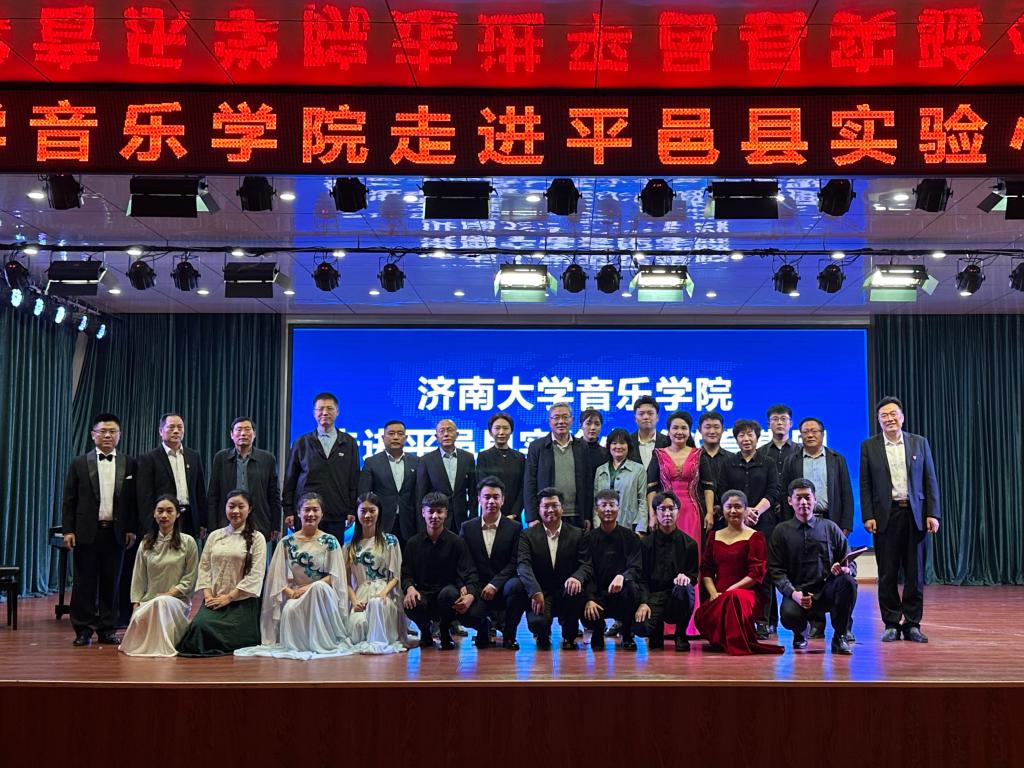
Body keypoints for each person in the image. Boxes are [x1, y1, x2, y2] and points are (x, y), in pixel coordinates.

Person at [860, 396, 940, 644]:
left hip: (915, 515)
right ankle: (892, 623)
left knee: (915, 574)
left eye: (893, 414)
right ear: (878, 420)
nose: (889, 419)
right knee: (887, 573)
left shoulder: (919, 442)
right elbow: (865, 484)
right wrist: (868, 515)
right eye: (884, 415)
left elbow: (930, 480)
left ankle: (913, 624)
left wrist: (933, 513)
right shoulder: (869, 446)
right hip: (886, 516)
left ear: (902, 417)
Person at [236, 492, 354, 660]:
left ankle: (321, 642)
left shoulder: (330, 541)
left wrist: (309, 588)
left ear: (322, 514)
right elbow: (276, 578)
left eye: (315, 510)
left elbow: (335, 576)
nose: (311, 514)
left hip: (323, 595)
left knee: (318, 587)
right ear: (299, 512)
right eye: (306, 510)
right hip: (297, 594)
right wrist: (290, 593)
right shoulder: (286, 542)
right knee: (290, 609)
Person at [62, 413, 138, 647]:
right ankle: (83, 630)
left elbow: (132, 501)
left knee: (111, 582)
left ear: (119, 435)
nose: (107, 435)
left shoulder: (129, 463)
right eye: (102, 431)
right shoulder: (79, 463)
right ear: (93, 435)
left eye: (112, 431)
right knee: (83, 583)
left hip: (116, 532)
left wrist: (131, 528)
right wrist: (68, 530)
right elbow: (69, 500)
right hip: (86, 531)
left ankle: (107, 628)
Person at [768, 479, 857, 655]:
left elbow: (850, 562)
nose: (803, 502)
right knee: (789, 616)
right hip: (798, 593)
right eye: (798, 498)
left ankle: (840, 636)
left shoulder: (830, 528)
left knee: (848, 582)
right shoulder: (781, 531)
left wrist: (846, 569)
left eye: (807, 497)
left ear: (815, 499)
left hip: (826, 591)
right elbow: (776, 570)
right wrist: (793, 593)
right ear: (790, 501)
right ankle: (800, 631)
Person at [177, 490, 267, 657]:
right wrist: (207, 594)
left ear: (249, 509)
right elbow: (204, 567)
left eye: (241, 507)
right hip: (214, 599)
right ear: (225, 508)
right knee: (198, 628)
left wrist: (229, 597)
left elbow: (256, 574)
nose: (235, 511)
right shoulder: (215, 536)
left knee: (219, 633)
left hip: (241, 602)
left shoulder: (257, 538)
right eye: (231, 506)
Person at [694, 490, 783, 656]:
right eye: (729, 507)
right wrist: (713, 594)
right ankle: (726, 639)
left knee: (733, 598)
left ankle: (735, 643)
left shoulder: (756, 537)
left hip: (747, 595)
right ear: (723, 510)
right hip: (718, 595)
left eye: (738, 507)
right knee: (702, 614)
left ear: (746, 509)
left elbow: (756, 574)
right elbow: (706, 571)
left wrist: (729, 591)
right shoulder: (713, 536)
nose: (733, 511)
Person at [402, 492, 488, 649]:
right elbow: (406, 573)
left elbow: (469, 572)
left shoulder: (457, 542)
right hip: (424, 593)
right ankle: (425, 631)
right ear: (423, 513)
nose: (435, 516)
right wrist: (410, 588)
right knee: (411, 602)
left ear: (446, 514)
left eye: (439, 512)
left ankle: (444, 630)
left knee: (448, 595)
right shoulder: (413, 543)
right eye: (430, 511)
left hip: (448, 594)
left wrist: (469, 592)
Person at [720, 419, 781, 638]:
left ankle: (764, 621)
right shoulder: (728, 463)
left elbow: (774, 490)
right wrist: (742, 512)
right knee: (740, 572)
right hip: (735, 524)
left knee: (762, 574)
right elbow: (723, 491)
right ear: (736, 438)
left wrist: (755, 511)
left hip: (763, 524)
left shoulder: (768, 462)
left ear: (757, 437)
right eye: (741, 435)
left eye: (750, 435)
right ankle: (741, 618)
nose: (746, 439)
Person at [120, 494, 199, 657]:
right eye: (160, 511)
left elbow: (191, 577)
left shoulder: (188, 542)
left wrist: (169, 594)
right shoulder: (146, 543)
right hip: (149, 601)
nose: (164, 515)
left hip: (177, 602)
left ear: (177, 514)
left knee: (162, 602)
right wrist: (136, 604)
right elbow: (138, 577)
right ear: (154, 514)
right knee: (152, 606)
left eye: (169, 511)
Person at [646, 411, 702, 635]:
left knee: (689, 563)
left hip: (691, 513)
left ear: (689, 431)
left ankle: (691, 626)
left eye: (683, 428)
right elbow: (651, 488)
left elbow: (708, 487)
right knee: (664, 562)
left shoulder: (698, 454)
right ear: (667, 431)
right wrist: (653, 514)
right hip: (664, 511)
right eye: (675, 428)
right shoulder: (658, 454)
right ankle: (663, 623)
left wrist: (708, 513)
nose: (679, 432)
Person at [517, 487, 592, 650]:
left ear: (562, 508)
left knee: (576, 590)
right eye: (546, 506)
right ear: (539, 509)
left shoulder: (578, 534)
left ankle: (569, 636)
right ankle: (542, 634)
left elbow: (586, 564)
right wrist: (534, 590)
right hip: (541, 591)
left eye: (555, 505)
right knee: (538, 623)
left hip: (566, 590)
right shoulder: (527, 535)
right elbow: (523, 565)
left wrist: (577, 577)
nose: (550, 510)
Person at [459, 477, 527, 649]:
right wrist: (471, 588)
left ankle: (509, 635)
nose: (491, 501)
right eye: (487, 497)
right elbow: (464, 562)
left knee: (518, 587)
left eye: (496, 497)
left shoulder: (515, 527)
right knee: (461, 607)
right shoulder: (467, 527)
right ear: (479, 499)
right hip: (478, 585)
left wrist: (495, 584)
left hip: (503, 585)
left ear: (503, 500)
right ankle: (483, 628)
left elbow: (515, 561)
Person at [283, 392, 360, 541]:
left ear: (337, 412)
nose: (325, 413)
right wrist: (288, 511)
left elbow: (354, 478)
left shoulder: (349, 443)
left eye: (330, 408)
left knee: (333, 553)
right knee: (305, 552)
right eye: (320, 409)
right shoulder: (302, 442)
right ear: (314, 413)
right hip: (307, 513)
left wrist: (352, 509)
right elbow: (290, 479)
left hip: (336, 512)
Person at [634, 492, 698, 652]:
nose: (667, 513)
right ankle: (655, 634)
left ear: (678, 512)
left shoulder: (690, 544)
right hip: (654, 597)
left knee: (685, 588)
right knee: (640, 628)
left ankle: (680, 634)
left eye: (671, 508)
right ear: (655, 512)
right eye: (662, 509)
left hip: (677, 596)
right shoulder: (646, 544)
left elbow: (693, 576)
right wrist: (643, 602)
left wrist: (685, 578)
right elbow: (642, 578)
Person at [346, 492, 409, 654]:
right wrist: (354, 601)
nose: (367, 515)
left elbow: (396, 576)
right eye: (363, 511)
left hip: (384, 594)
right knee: (359, 625)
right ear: (357, 513)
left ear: (379, 512)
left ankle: (378, 643)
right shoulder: (349, 546)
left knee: (376, 605)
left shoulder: (390, 541)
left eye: (372, 511)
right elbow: (346, 582)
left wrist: (383, 593)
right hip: (360, 596)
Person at [583, 490, 641, 651]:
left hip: (621, 593)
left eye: (612, 505)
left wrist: (623, 577)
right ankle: (597, 630)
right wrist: (589, 598)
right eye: (603, 505)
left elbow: (636, 567)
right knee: (579, 595)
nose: (608, 509)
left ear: (618, 508)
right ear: (596, 509)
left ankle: (627, 633)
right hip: (597, 594)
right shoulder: (588, 539)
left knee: (632, 588)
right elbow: (586, 570)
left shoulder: (631, 537)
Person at [208, 417, 281, 542]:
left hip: (259, 521)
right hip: (226, 521)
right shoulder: (221, 458)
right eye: (239, 430)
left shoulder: (267, 459)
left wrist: (276, 525)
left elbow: (274, 495)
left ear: (254, 434)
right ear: (232, 435)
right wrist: (212, 526)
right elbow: (213, 495)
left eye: (247, 429)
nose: (243, 433)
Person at [136, 412, 207, 541]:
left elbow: (200, 492)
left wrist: (202, 522)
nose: (176, 431)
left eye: (180, 427)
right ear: (160, 431)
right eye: (171, 427)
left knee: (188, 553)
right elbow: (145, 498)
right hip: (163, 518)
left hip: (189, 519)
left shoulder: (193, 456)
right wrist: (149, 527)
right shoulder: (149, 459)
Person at [524, 403, 591, 528]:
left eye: (565, 417)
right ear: (549, 421)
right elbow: (529, 483)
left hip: (576, 514)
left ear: (572, 420)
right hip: (547, 514)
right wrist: (532, 517)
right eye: (556, 417)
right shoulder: (537, 447)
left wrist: (587, 515)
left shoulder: (582, 446)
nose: (561, 421)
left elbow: (587, 483)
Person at [358, 419, 419, 544]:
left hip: (409, 522)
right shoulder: (372, 462)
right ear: (383, 438)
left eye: (400, 434)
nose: (395, 437)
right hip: (382, 522)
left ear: (406, 438)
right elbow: (364, 495)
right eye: (391, 434)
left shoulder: (417, 462)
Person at [415, 419, 477, 531]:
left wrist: (473, 520)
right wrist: (422, 526)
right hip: (436, 519)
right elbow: (421, 495)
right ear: (436, 436)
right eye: (442, 431)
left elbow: (473, 493)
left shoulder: (468, 458)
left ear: (457, 434)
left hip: (462, 519)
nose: (446, 434)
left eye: (450, 430)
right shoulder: (426, 460)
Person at [592, 429, 647, 532]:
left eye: (622, 443)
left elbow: (642, 501)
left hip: (629, 526)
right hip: (603, 527)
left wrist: (641, 529)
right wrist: (597, 527)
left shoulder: (638, 469)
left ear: (628, 446)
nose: (618, 446)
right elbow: (596, 502)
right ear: (609, 446)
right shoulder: (600, 470)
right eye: (614, 443)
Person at [475, 412, 526, 521]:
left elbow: (523, 488)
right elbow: (483, 487)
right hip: (489, 514)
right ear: (490, 432)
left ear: (511, 431)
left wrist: (514, 513)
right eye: (497, 428)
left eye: (505, 428)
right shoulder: (484, 456)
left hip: (514, 517)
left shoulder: (520, 458)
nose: (501, 432)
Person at [697, 411, 732, 529]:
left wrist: (721, 506)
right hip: (698, 515)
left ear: (723, 430)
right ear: (699, 430)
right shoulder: (692, 458)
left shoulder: (732, 458)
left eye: (716, 427)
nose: (712, 431)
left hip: (728, 516)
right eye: (707, 427)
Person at [627, 395, 670, 471]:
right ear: (635, 418)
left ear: (657, 417)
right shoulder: (627, 442)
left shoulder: (668, 442)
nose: (646, 417)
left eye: (650, 413)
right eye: (641, 414)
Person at [758, 405, 799, 479]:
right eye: (775, 419)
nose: (779, 423)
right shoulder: (760, 452)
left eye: (783, 419)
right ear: (768, 424)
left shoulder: (800, 450)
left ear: (791, 423)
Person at [579, 408, 608, 488]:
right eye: (588, 423)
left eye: (597, 424)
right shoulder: (573, 449)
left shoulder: (605, 453)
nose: (593, 427)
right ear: (581, 426)